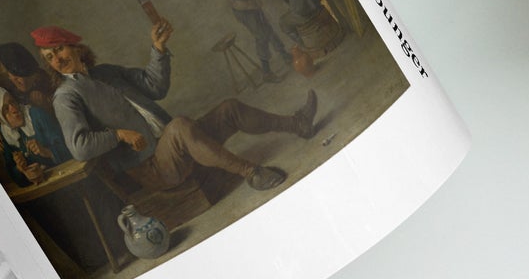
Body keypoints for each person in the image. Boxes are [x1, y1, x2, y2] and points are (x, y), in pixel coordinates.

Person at [31, 20, 316, 195]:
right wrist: (118, 135)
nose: (56, 59)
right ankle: (252, 173)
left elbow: (155, 87)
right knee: (179, 126)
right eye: (49, 56)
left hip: (175, 146)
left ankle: (298, 125)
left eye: (59, 49)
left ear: (77, 48)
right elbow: (79, 146)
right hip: (152, 167)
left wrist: (158, 49)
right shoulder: (65, 97)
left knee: (229, 108)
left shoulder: (105, 72)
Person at [0, 84, 69, 187]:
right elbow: (12, 173)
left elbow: (68, 150)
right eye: (6, 109)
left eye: (12, 102)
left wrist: (46, 152)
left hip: (63, 179)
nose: (14, 109)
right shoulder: (5, 133)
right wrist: (20, 170)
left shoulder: (37, 115)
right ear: (0, 116)